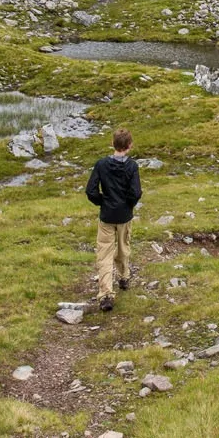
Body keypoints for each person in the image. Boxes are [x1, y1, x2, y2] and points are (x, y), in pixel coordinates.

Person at [86, 128, 143, 311]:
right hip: (124, 215)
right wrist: (129, 205)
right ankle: (124, 277)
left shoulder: (101, 165)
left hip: (107, 216)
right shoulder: (132, 166)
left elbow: (90, 190)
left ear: (113, 144)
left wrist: (102, 201)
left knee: (104, 253)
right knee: (123, 247)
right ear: (129, 146)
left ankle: (105, 295)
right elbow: (136, 192)